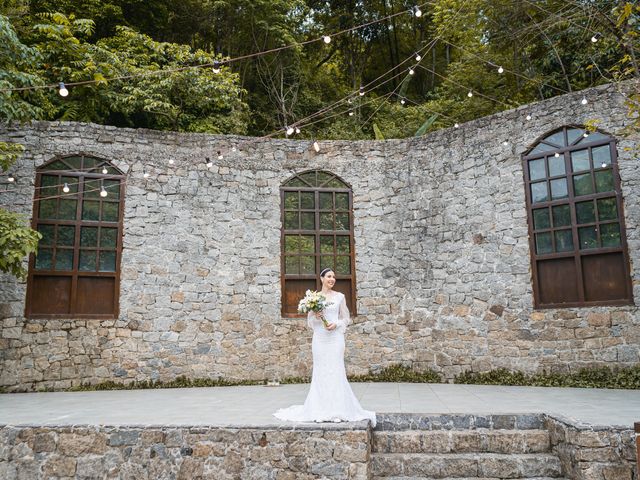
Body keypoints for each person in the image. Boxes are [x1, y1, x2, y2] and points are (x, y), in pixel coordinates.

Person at [274, 268, 376, 426]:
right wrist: (315, 316)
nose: (332, 279)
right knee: (321, 372)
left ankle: (337, 409)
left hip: (335, 339)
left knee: (336, 370)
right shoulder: (314, 298)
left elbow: (346, 318)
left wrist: (337, 324)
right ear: (321, 278)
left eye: (334, 277)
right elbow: (310, 323)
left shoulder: (340, 297)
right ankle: (320, 409)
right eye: (329, 276)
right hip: (320, 339)